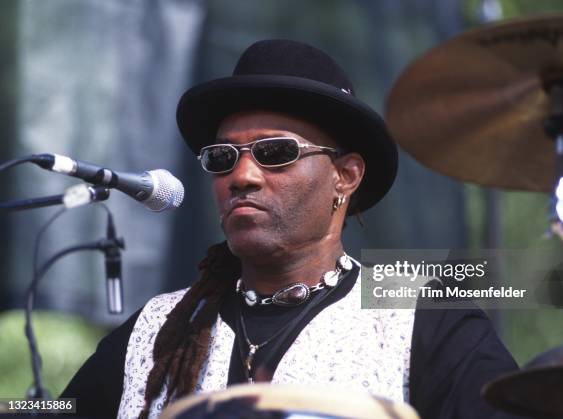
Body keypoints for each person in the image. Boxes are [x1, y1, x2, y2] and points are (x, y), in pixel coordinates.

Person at [61, 39, 521, 419]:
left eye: (275, 152)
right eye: (223, 158)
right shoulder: (160, 326)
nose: (242, 176)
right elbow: (50, 407)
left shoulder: (419, 311)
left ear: (346, 176)